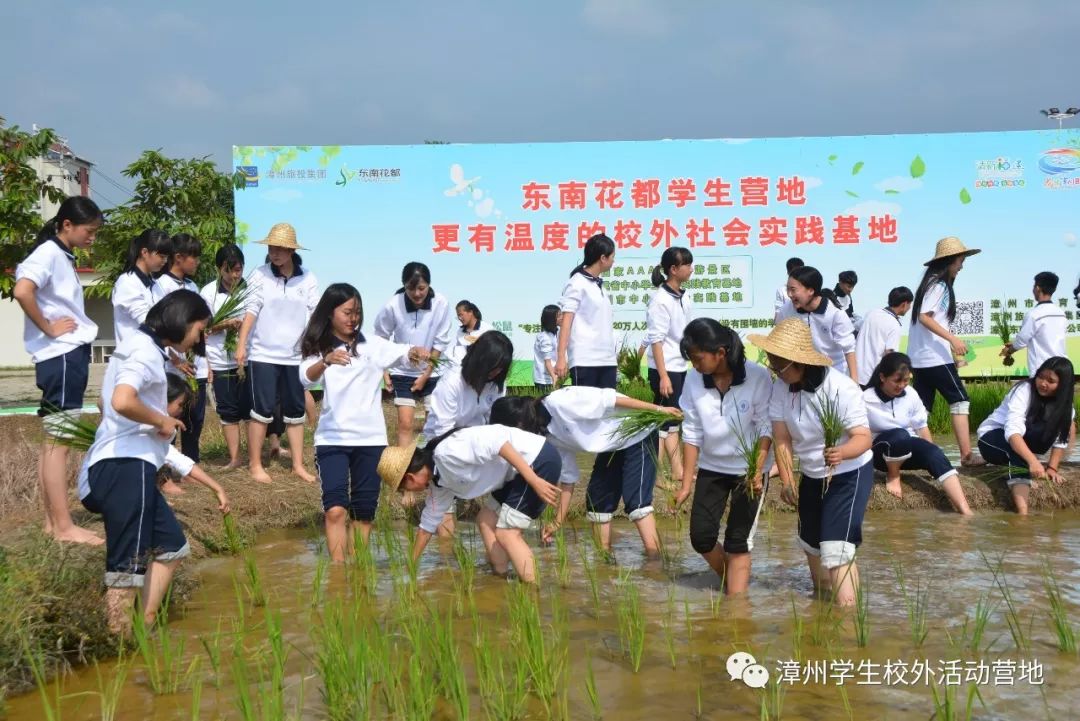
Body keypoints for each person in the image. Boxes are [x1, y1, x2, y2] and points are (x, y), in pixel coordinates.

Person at [77, 290, 222, 634]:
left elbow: (104, 401)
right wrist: (161, 421)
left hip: (127, 465)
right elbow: (122, 399)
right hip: (125, 467)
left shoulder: (144, 348)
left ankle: (145, 624)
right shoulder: (143, 350)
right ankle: (120, 640)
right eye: (200, 330)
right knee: (127, 569)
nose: (200, 339)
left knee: (172, 547)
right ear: (183, 321)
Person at [749, 319, 873, 607]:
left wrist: (842, 453)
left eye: (779, 366)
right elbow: (782, 439)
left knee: (836, 547)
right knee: (812, 544)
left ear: (800, 363)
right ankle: (822, 606)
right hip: (812, 474)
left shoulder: (841, 388)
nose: (774, 372)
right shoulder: (782, 388)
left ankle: (849, 619)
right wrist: (790, 480)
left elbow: (863, 438)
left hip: (847, 472)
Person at [299, 283, 428, 560]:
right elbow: (304, 378)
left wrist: (416, 352)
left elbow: (405, 353)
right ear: (330, 313)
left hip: (371, 441)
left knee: (364, 511)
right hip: (332, 440)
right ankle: (337, 570)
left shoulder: (372, 345)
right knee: (335, 509)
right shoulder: (318, 346)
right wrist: (326, 361)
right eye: (347, 312)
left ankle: (358, 570)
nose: (353, 318)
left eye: (357, 312)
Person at [13, 197, 105, 545]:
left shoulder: (59, 254)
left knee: (53, 442)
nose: (92, 238)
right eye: (89, 231)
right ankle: (65, 527)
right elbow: (22, 291)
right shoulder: (48, 254)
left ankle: (54, 523)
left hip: (63, 355)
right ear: (67, 225)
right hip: (62, 355)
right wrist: (49, 328)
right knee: (59, 443)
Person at [490, 389, 680, 556]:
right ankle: (604, 559)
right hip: (611, 444)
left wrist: (657, 410)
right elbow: (568, 478)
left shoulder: (560, 402)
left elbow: (611, 399)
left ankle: (655, 560)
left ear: (518, 423)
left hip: (637, 431)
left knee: (636, 500)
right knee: (597, 501)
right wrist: (557, 522)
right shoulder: (545, 434)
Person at [378, 425, 561, 583]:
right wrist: (411, 565)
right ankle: (501, 578)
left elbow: (499, 443)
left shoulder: (448, 452)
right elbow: (426, 527)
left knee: (507, 533)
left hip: (536, 461)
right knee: (485, 519)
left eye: (404, 488)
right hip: (514, 475)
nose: (409, 492)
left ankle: (533, 592)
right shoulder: (438, 483)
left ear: (410, 477)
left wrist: (534, 480)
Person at [674, 319, 772, 594]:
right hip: (711, 467)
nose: (694, 365)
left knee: (737, 541)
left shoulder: (757, 376)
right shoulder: (694, 379)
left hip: (748, 468)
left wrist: (757, 469)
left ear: (720, 352)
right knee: (701, 537)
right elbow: (691, 432)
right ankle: (733, 580)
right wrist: (685, 484)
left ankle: (737, 609)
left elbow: (766, 427)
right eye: (691, 359)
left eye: (698, 358)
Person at [235, 223, 319, 484]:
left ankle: (297, 464)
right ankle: (256, 465)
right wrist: (241, 344)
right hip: (263, 355)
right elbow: (251, 310)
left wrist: (315, 345)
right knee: (261, 410)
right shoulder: (259, 275)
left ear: (292, 250)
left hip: (295, 357)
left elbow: (316, 314)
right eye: (272, 248)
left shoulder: (308, 278)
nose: (275, 253)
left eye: (280, 248)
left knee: (295, 412)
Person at [421, 330, 513, 536]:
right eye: (492, 368)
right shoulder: (452, 382)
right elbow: (442, 433)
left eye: (500, 370)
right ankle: (445, 561)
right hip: (444, 447)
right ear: (479, 360)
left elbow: (495, 421)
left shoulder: (496, 384)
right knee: (444, 506)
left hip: (477, 445)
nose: (496, 374)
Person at [862, 352, 973, 514]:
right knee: (899, 435)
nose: (901, 385)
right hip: (880, 454)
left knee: (934, 452)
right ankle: (893, 476)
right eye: (897, 381)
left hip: (906, 448)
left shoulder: (911, 394)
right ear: (882, 377)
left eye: (906, 380)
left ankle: (965, 510)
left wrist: (930, 452)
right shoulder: (865, 398)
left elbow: (921, 426)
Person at [908, 237, 984, 467]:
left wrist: (955, 354)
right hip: (933, 358)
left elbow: (925, 318)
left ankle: (911, 454)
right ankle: (967, 456)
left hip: (920, 358)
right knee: (960, 400)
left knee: (920, 410)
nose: (961, 266)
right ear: (949, 261)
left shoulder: (929, 284)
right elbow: (924, 317)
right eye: (960, 261)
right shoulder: (939, 286)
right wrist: (952, 339)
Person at [977, 357, 1076, 515]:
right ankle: (1023, 514)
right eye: (1041, 377)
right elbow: (1012, 431)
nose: (1043, 383)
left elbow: (1060, 439)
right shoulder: (1024, 390)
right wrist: (1033, 461)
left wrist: (1051, 468)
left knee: (1027, 450)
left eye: (1051, 381)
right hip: (993, 436)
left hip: (1023, 442)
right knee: (1017, 455)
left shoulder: (1066, 407)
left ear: (1063, 386)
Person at [373, 262, 452, 448]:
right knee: (405, 424)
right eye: (411, 288)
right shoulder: (393, 305)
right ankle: (403, 470)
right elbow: (380, 338)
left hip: (432, 372)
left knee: (434, 424)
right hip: (402, 371)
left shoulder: (441, 303)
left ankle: (431, 467)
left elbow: (440, 341)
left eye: (422, 288)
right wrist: (385, 372)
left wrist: (426, 375)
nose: (417, 294)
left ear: (429, 285)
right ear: (404, 285)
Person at [646, 246, 694, 489]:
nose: (691, 269)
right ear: (673, 270)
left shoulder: (684, 296)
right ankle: (656, 475)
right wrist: (663, 375)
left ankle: (677, 471)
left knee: (673, 420)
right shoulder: (660, 299)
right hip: (663, 368)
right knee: (663, 422)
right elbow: (656, 340)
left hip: (678, 365)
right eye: (687, 264)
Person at [158, 233, 208, 464]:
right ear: (178, 257)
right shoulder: (161, 286)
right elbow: (158, 329)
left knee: (194, 416)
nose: (197, 262)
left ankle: (190, 462)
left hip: (193, 364)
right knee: (169, 415)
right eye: (194, 257)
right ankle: (165, 465)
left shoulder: (193, 286)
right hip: (172, 366)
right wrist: (175, 359)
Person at [200, 244, 248, 469]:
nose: (235, 275)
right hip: (220, 360)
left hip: (248, 359)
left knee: (251, 408)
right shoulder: (208, 292)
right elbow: (202, 328)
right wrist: (225, 324)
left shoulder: (251, 290)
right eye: (231, 270)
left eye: (239, 269)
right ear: (220, 269)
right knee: (228, 410)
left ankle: (255, 455)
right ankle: (235, 457)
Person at [554, 233, 616, 388]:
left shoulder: (598, 285)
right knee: (585, 410)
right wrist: (561, 357)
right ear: (603, 258)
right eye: (612, 257)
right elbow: (566, 322)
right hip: (585, 360)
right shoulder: (576, 283)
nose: (613, 261)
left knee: (607, 410)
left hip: (606, 359)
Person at [776, 266, 858, 381]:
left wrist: (855, 382)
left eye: (793, 290)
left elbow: (849, 349)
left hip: (833, 373)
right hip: (804, 374)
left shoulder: (835, 314)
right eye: (788, 289)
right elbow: (777, 337)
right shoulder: (787, 310)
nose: (789, 294)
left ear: (811, 290)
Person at [111, 229, 171, 346]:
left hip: (152, 356)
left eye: (167, 257)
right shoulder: (127, 282)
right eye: (162, 256)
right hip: (132, 358)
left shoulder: (155, 284)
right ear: (144, 252)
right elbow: (148, 322)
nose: (165, 261)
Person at [1002, 272, 1067, 376]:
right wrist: (1014, 343)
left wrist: (1009, 351)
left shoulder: (1034, 314)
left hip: (1042, 370)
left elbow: (1022, 341)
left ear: (1037, 288)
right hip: (1062, 367)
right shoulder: (1061, 313)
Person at [855, 286, 913, 387]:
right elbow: (889, 354)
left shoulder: (872, 313)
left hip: (854, 372)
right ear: (904, 304)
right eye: (909, 304)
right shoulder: (894, 325)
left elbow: (856, 326)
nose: (910, 308)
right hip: (871, 377)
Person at [533, 304, 560, 393]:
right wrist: (554, 378)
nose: (562, 317)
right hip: (545, 381)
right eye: (559, 315)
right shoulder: (545, 337)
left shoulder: (557, 332)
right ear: (551, 319)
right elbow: (547, 362)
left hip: (555, 377)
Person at [774, 257, 804, 323]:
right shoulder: (781, 290)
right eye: (793, 273)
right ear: (788, 272)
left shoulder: (809, 288)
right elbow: (778, 314)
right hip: (789, 328)